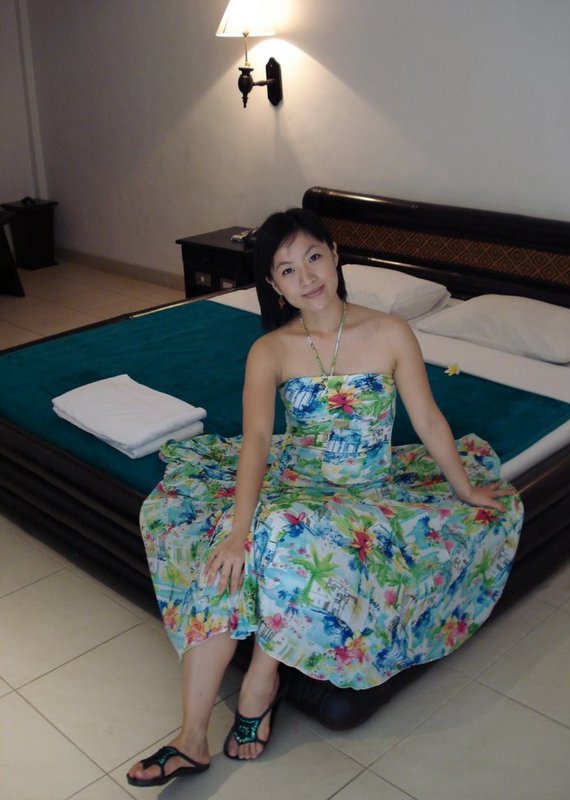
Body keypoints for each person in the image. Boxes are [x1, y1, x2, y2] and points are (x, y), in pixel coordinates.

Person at [127, 208, 524, 787]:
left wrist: (462, 487)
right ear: (273, 283)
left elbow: (429, 420)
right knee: (228, 557)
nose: (306, 277)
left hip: (366, 495)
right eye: (287, 269)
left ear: (336, 254)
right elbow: (257, 441)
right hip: (294, 484)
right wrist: (235, 532)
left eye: (313, 257)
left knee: (281, 535)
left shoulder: (390, 332)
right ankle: (191, 737)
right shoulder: (270, 350)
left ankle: (260, 682)